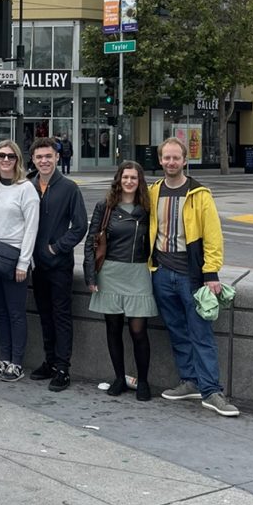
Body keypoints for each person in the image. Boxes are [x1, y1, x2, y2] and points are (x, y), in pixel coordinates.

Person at [150, 137, 239, 416]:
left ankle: (212, 390)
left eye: (176, 158)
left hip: (191, 276)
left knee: (201, 333)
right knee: (177, 331)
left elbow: (213, 236)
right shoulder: (153, 191)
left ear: (185, 161)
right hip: (161, 273)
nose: (171, 162)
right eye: (167, 158)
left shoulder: (199, 194)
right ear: (160, 160)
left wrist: (211, 272)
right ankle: (190, 382)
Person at [83, 160, 156, 401]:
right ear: (118, 179)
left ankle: (143, 381)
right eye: (125, 177)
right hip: (111, 272)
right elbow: (91, 242)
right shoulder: (105, 206)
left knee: (139, 331)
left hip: (138, 272)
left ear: (140, 181)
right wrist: (91, 276)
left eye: (133, 178)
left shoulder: (148, 207)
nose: (129, 182)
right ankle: (119, 378)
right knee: (113, 328)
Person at [27, 136, 88, 392]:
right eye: (39, 157)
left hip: (59, 265)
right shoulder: (28, 186)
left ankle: (63, 367)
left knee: (61, 316)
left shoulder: (69, 188)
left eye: (48, 156)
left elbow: (80, 226)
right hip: (35, 265)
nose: (44, 161)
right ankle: (50, 361)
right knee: (44, 315)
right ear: (33, 159)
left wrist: (57, 247)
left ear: (57, 158)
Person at [0, 140, 39, 383]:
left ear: (18, 160)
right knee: (0, 312)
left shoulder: (26, 189)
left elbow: (31, 228)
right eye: (1, 155)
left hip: (15, 259)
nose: (6, 160)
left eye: (11, 156)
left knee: (16, 313)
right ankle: (3, 358)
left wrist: (23, 263)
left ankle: (16, 362)